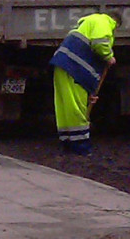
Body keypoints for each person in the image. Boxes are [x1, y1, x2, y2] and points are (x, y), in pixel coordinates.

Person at [49, 11, 122, 155]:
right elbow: (99, 44)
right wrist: (109, 57)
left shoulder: (88, 22)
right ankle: (80, 145)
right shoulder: (104, 21)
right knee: (77, 107)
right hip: (74, 68)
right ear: (116, 23)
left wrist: (91, 93)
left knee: (66, 107)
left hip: (63, 65)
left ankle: (67, 142)